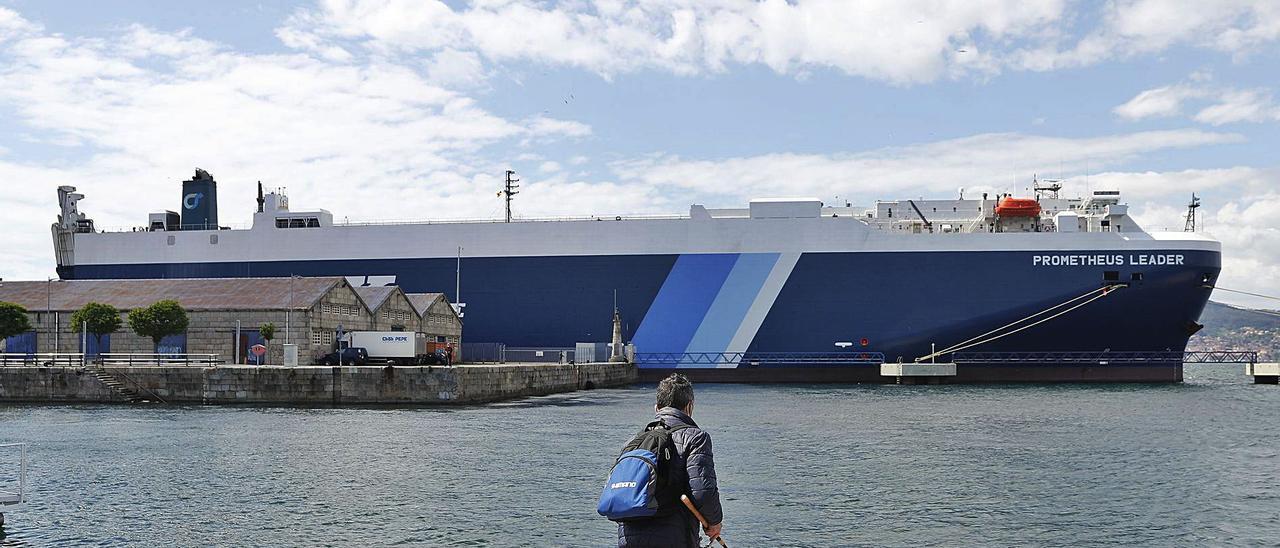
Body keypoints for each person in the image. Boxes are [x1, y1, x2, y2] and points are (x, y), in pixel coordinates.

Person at [618, 373, 723, 547]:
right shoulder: (695, 438)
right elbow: (702, 492)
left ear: (656, 408)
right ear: (689, 406)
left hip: (629, 537)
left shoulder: (633, 442)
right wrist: (714, 522)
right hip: (673, 537)